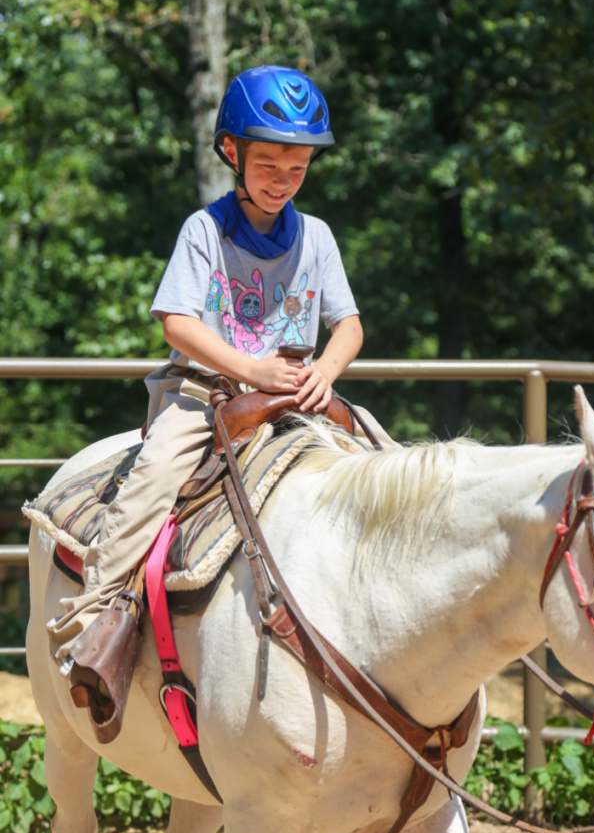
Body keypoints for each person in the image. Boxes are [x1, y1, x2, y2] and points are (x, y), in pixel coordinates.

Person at [47, 65, 379, 741]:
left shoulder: (315, 236)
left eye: (296, 165)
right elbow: (175, 321)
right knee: (153, 478)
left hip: (293, 391)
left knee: (383, 456)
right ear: (231, 152)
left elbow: (347, 325)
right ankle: (98, 621)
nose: (281, 179)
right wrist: (246, 367)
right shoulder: (205, 229)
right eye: (266, 163)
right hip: (206, 390)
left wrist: (325, 370)